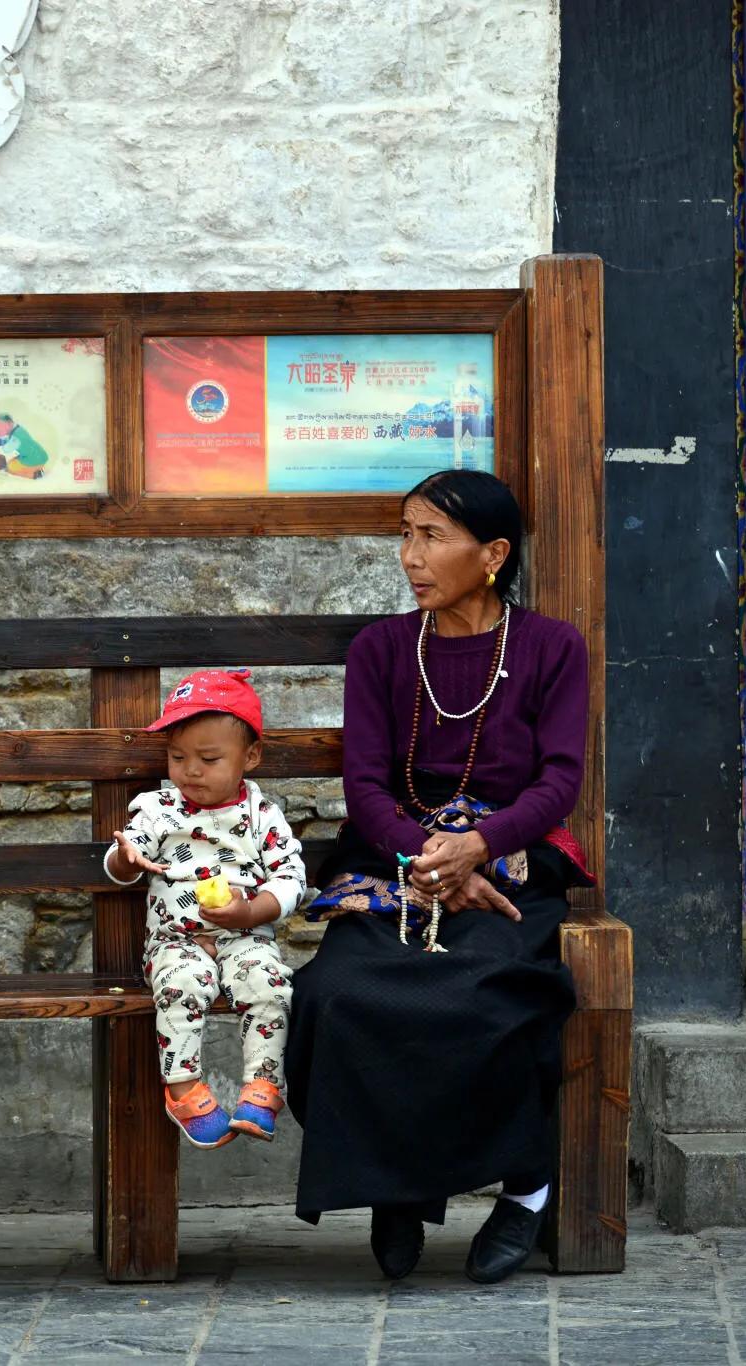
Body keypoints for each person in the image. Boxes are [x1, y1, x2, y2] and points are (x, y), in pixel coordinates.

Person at [286, 469, 590, 1286]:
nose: (409, 556)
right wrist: (429, 861)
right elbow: (365, 787)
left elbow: (559, 782)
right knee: (340, 993)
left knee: (491, 989)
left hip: (510, 864)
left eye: (430, 537)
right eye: (405, 533)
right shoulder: (382, 649)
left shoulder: (551, 647)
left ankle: (524, 1190)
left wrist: (479, 846)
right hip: (395, 864)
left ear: (491, 554)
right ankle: (399, 1185)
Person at [104, 668, 305, 1149]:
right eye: (177, 757)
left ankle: (263, 1087)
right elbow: (124, 856)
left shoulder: (261, 815)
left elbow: (291, 877)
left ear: (250, 757)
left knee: (270, 985)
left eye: (208, 759)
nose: (190, 770)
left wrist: (254, 911)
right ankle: (183, 1089)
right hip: (177, 940)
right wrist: (125, 859)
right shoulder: (158, 808)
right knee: (180, 986)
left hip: (246, 937)